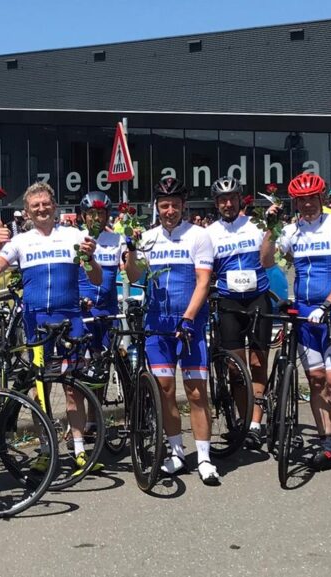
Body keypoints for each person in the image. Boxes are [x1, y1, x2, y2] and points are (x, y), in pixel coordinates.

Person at [0, 182, 103, 474]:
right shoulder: (21, 241)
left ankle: (79, 448)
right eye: (35, 205)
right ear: (27, 211)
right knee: (41, 387)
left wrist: (90, 258)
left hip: (71, 318)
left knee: (73, 387)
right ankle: (45, 448)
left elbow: (97, 279)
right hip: (36, 320)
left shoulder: (74, 236)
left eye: (46, 204)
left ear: (55, 206)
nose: (41, 209)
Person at [123, 177, 221, 485]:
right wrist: (131, 249)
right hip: (157, 325)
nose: (169, 211)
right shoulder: (148, 238)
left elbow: (203, 281)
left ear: (183, 206)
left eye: (175, 205)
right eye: (164, 205)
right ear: (157, 207)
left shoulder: (199, 235)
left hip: (190, 324)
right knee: (165, 391)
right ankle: (177, 453)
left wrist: (189, 317)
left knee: (196, 392)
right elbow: (136, 275)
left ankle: (204, 457)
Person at [271, 173, 331, 481]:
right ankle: (327, 445)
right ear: (295, 202)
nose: (307, 204)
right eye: (301, 200)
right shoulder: (292, 230)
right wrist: (270, 229)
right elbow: (267, 260)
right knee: (318, 381)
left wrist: (328, 306)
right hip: (305, 315)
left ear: (321, 199)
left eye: (312, 199)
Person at [204, 176, 275, 452]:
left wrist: (272, 231)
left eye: (232, 198)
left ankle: (256, 425)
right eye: (222, 199)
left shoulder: (256, 226)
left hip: (258, 298)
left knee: (258, 362)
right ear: (217, 203)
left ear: (240, 199)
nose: (228, 203)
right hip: (228, 301)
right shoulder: (209, 232)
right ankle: (243, 421)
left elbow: (268, 261)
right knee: (235, 366)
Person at [76, 191, 126, 374]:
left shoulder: (117, 240)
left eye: (101, 213)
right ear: (83, 216)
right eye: (91, 213)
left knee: (102, 369)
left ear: (107, 215)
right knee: (81, 370)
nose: (96, 218)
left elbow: (129, 271)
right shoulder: (76, 238)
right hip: (83, 311)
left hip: (108, 311)